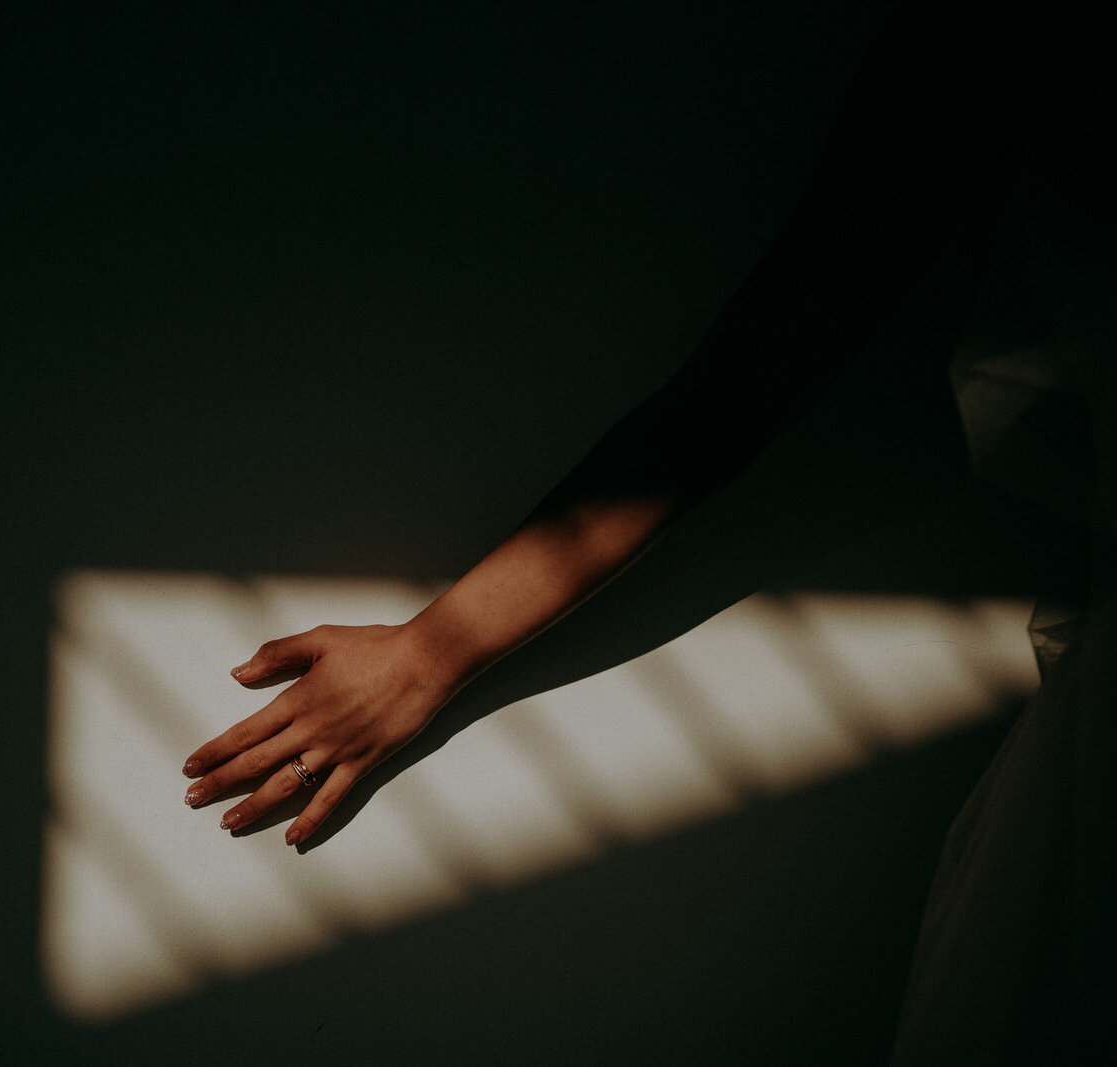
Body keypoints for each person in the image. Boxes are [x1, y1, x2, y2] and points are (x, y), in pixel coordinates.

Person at [184, 6, 1112, 1061]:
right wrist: (427, 653)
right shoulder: (988, 57)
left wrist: (428, 654)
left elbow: (735, 392)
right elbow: (742, 387)